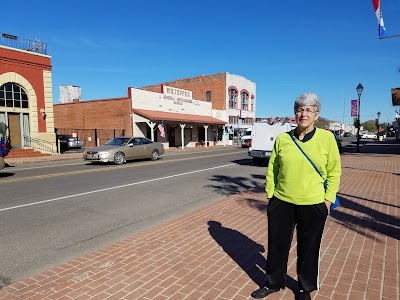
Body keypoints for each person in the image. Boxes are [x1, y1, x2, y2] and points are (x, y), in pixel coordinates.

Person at [251, 92, 341, 300]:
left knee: (309, 247)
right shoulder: (284, 139)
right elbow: (273, 167)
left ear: (316, 115)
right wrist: (271, 194)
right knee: (277, 245)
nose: (303, 113)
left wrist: (327, 200)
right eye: (300, 109)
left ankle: (304, 288)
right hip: (281, 201)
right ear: (294, 113)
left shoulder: (326, 138)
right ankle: (273, 282)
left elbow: (334, 171)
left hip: (314, 203)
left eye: (309, 110)